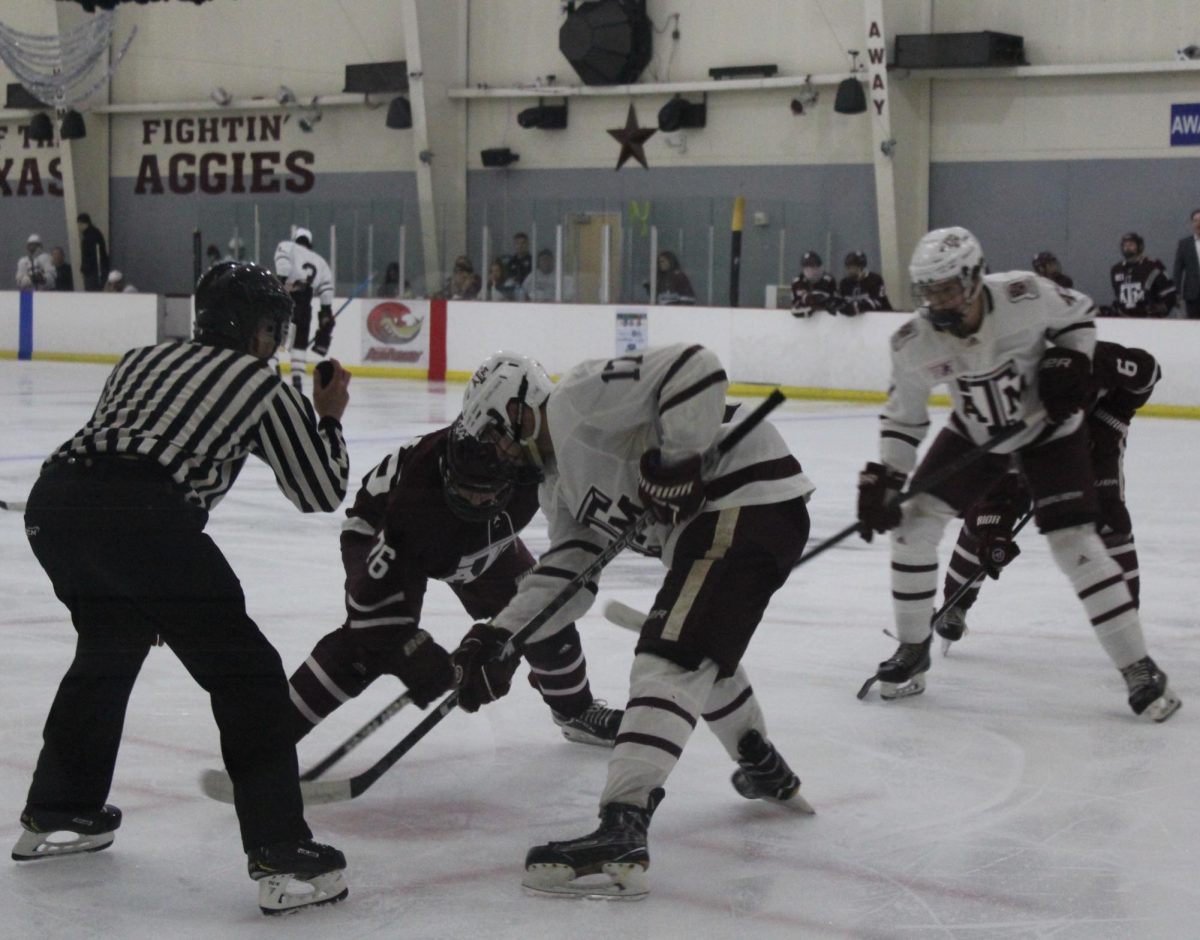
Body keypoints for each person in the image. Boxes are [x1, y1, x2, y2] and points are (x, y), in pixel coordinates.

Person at [13, 261, 354, 915]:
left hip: (55, 506)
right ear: (259, 331)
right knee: (248, 674)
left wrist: (151, 584)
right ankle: (282, 854)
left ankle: (61, 811)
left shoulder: (140, 359)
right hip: (145, 519)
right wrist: (329, 417)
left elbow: (121, 450)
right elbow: (319, 490)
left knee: (108, 649)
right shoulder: (259, 382)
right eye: (273, 328)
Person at [449, 346, 816, 899]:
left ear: (520, 410)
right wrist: (502, 634)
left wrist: (680, 460)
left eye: (496, 435)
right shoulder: (556, 486)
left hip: (745, 496)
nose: (496, 454)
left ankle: (623, 822)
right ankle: (759, 760)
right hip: (733, 520)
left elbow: (697, 367)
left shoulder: (577, 399)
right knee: (697, 644)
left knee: (668, 655)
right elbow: (570, 572)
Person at [855, 226, 1180, 723]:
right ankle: (912, 648)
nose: (938, 303)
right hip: (976, 431)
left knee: (1076, 543)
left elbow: (1081, 317)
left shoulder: (1024, 294)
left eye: (947, 289)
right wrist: (886, 476)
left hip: (1050, 430)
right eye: (929, 292)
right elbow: (904, 419)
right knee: (913, 526)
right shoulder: (913, 342)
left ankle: (1139, 666)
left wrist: (1070, 358)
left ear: (972, 277)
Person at [286, 418, 622, 748]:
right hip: (396, 535)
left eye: (486, 489)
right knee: (370, 640)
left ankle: (574, 710)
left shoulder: (530, 462)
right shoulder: (418, 497)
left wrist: (504, 644)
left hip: (476, 536)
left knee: (543, 611)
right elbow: (372, 612)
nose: (475, 500)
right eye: (468, 488)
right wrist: (406, 645)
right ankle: (275, 726)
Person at [937, 339, 1160, 646]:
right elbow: (997, 490)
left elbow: (1148, 374)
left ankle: (1125, 620)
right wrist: (994, 528)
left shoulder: (1100, 360)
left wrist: (1109, 421)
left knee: (1108, 520)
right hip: (1028, 451)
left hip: (1094, 447)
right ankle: (956, 605)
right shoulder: (1002, 400)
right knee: (982, 524)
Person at [273, 226, 334, 393]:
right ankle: (298, 381)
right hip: (305, 305)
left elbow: (283, 267)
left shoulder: (287, 246)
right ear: (310, 242)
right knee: (299, 346)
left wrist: (281, 284)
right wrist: (326, 312)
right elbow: (326, 292)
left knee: (276, 339)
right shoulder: (320, 261)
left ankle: (274, 374)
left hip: (287, 299)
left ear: (296, 238)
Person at [1107, 232, 1176, 318]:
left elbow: (1170, 293)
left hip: (1148, 319)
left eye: (1131, 244)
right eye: (1125, 245)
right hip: (1124, 320)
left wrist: (1160, 309)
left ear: (1140, 246)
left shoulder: (1153, 266)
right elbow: (1118, 296)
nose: (1127, 247)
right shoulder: (1116, 270)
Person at [1171, 208, 1200, 319]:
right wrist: (1176, 292)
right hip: (1192, 294)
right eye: (1196, 220)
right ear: (1192, 223)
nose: (1199, 224)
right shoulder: (1184, 244)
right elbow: (1178, 270)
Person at [789, 251, 838, 317]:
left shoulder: (827, 280)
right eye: (808, 269)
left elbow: (834, 300)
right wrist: (810, 301)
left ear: (819, 268)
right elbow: (795, 305)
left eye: (814, 268)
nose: (812, 272)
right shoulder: (797, 283)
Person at [76, 213, 109, 292]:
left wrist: (85, 269)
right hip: (98, 269)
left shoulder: (89, 237)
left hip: (92, 272)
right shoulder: (96, 233)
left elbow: (90, 256)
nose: (78, 227)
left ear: (81, 223)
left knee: (92, 292)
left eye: (79, 224)